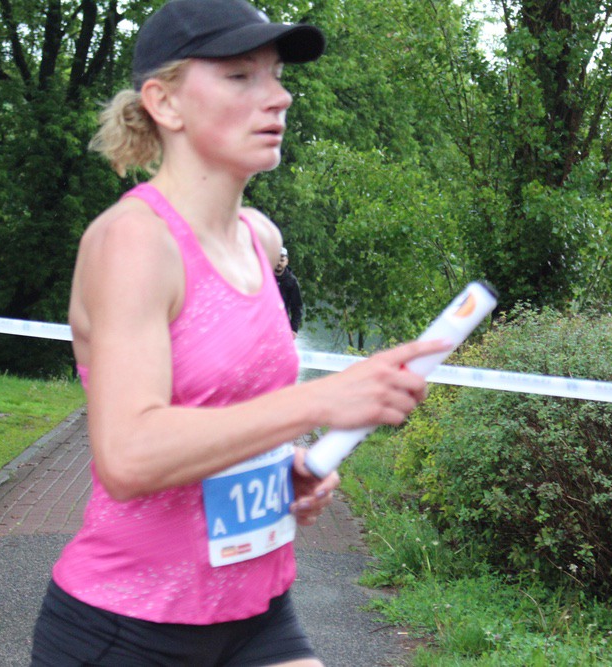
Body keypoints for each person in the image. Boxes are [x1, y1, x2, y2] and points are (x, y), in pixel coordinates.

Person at [29, 1, 448, 665]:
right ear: (164, 103)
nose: (278, 96)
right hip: (129, 628)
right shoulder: (133, 242)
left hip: (256, 613)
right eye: (240, 76)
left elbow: (229, 407)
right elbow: (129, 455)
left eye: (276, 74)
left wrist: (282, 466)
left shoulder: (260, 238)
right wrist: (319, 401)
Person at [275, 246, 303, 336]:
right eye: (276, 260)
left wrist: (294, 328)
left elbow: (297, 307)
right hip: (262, 322)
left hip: (281, 325)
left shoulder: (292, 281)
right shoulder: (265, 276)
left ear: (287, 261)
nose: (278, 263)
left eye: (282, 260)